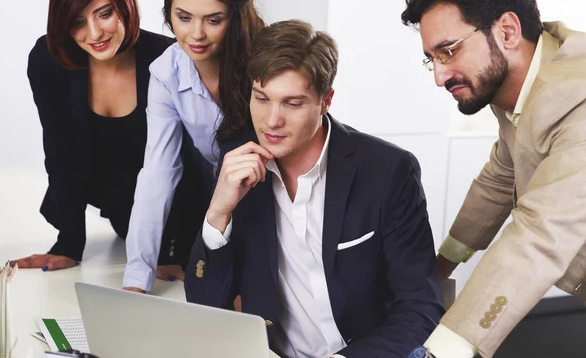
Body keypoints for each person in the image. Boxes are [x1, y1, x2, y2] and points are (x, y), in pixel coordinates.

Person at [185, 19, 444, 358]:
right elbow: (206, 307)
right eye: (261, 98)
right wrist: (218, 213)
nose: (271, 120)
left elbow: (419, 306)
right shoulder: (240, 164)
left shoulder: (387, 171)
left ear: (326, 101)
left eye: (292, 104)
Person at [401, 0, 586, 358]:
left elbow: (539, 236)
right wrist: (440, 268)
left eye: (448, 51)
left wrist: (442, 351)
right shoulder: (524, 85)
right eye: (431, 58)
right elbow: (501, 178)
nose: (439, 75)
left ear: (506, 31)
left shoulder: (580, 99)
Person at [15, 0, 199, 274]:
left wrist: (175, 251)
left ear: (124, 4)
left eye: (104, 14)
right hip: (120, 216)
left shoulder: (167, 59)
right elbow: (59, 154)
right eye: (77, 22)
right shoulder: (49, 61)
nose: (95, 33)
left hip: (180, 214)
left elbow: (186, 165)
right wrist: (69, 245)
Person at [122, 0, 264, 293]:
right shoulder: (166, 73)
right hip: (215, 206)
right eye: (183, 17)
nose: (196, 34)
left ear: (236, 16)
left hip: (271, 201)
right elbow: (157, 174)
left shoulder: (268, 57)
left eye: (213, 20)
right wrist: (136, 281)